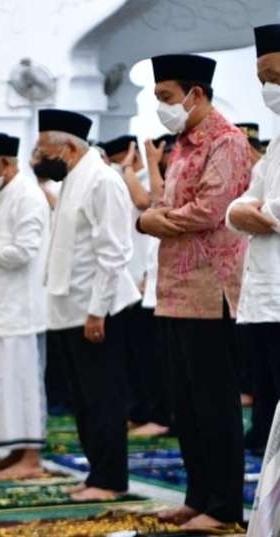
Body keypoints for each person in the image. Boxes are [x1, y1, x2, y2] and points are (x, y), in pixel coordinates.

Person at [137, 53, 250, 529]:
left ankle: (223, 505)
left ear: (195, 93)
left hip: (210, 287)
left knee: (213, 401)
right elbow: (167, 201)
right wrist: (155, 217)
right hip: (174, 285)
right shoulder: (181, 144)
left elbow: (210, 209)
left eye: (166, 98)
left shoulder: (227, 141)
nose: (163, 107)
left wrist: (152, 221)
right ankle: (197, 495)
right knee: (183, 400)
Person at [39, 109, 140, 501]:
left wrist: (97, 310)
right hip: (69, 307)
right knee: (84, 399)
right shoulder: (73, 180)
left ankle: (111, 479)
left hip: (98, 310)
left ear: (67, 148)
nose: (40, 158)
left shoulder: (102, 180)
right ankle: (98, 472)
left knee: (104, 396)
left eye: (44, 150)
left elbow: (113, 252)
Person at [0, 133, 50, 478]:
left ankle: (31, 458)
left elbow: (24, 251)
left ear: (5, 162)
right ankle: (14, 449)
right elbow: (8, 244)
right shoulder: (4, 195)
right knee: (1, 382)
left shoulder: (28, 196)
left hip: (22, 309)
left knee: (23, 382)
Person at [227, 24, 280, 455]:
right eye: (262, 79)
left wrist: (253, 212)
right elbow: (242, 203)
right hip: (265, 298)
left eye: (275, 76)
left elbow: (268, 211)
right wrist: (245, 212)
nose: (268, 87)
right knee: (268, 410)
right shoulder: (278, 141)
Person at [100, 135, 170, 437]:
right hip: (129, 280)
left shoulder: (142, 178)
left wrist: (129, 168)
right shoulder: (118, 179)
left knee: (154, 356)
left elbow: (144, 202)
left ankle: (161, 415)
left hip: (148, 279)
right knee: (134, 356)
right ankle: (140, 410)